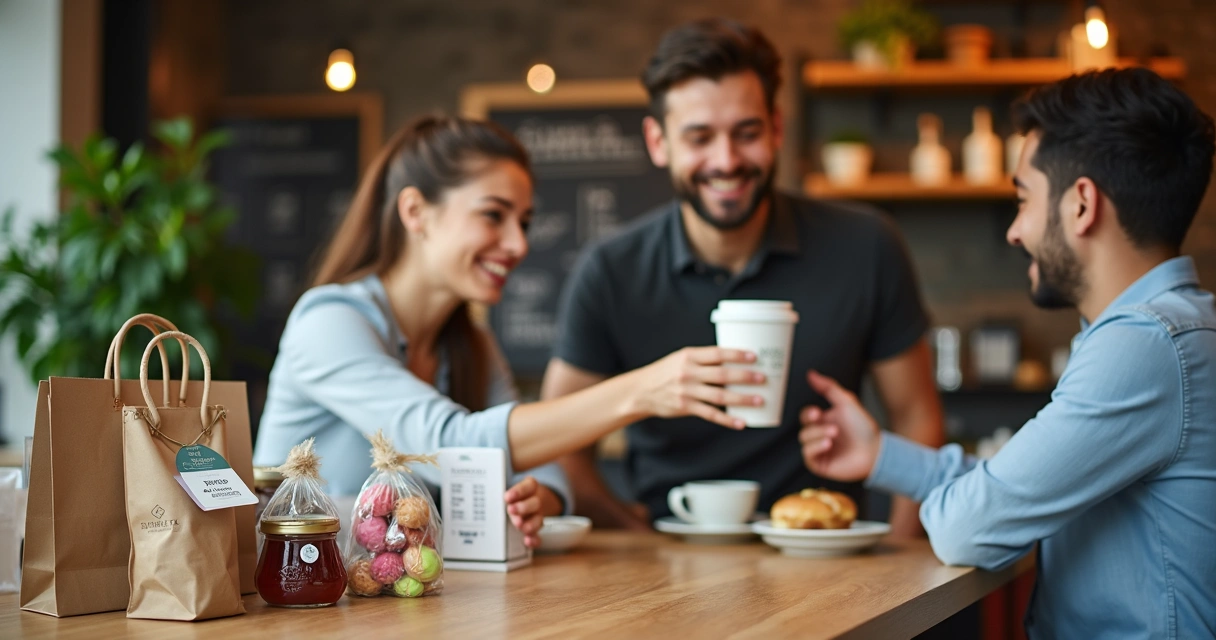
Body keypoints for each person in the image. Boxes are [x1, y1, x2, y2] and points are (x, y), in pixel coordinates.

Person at [799, 67, 1216, 638]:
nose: (1015, 230)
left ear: (1081, 205)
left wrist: (973, 502)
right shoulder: (1175, 329)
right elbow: (1015, 485)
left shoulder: (1143, 344)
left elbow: (970, 524)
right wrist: (879, 455)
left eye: (1023, 199)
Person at [253, 115, 766, 547]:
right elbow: (452, 445)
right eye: (494, 216)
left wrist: (541, 497)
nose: (518, 244)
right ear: (415, 212)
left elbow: (546, 470)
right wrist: (642, 390)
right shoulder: (329, 321)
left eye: (523, 220)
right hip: (299, 591)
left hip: (392, 594)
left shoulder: (470, 344)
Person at [542, 18, 944, 535]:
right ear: (658, 142)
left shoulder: (867, 246)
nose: (726, 160)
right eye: (700, 137)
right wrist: (633, 537)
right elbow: (560, 440)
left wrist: (898, 562)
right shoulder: (610, 270)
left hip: (824, 556)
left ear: (776, 129)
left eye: (746, 133)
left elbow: (917, 416)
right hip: (661, 571)